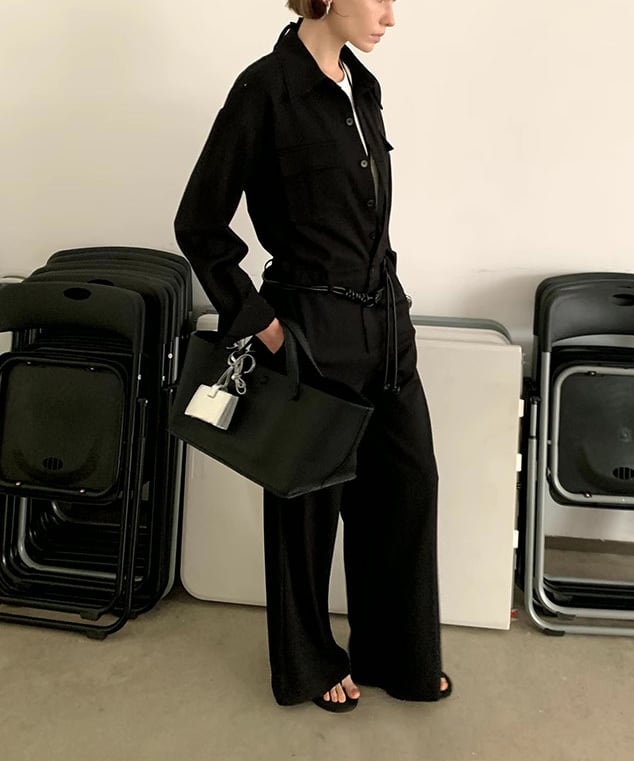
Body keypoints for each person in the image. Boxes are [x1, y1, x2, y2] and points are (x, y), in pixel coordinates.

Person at [174, 0, 452, 713]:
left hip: (385, 325)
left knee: (408, 486)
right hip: (308, 330)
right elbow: (199, 222)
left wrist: (396, 313)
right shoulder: (264, 89)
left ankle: (397, 653)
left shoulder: (363, 86)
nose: (390, 15)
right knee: (307, 509)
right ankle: (307, 662)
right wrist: (261, 323)